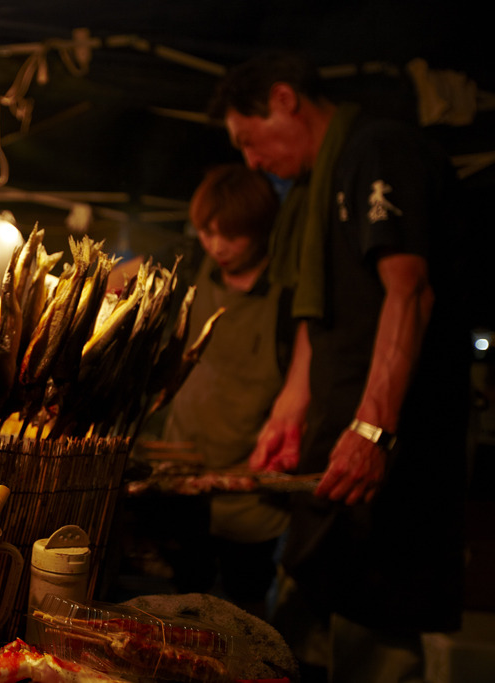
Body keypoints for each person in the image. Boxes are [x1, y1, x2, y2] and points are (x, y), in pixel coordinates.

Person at [210, 51, 469, 681]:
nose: (251, 162)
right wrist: (288, 413)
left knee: (374, 640)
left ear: (283, 99)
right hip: (335, 443)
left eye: (249, 140)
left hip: (390, 454)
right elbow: (319, 321)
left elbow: (409, 291)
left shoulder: (376, 151)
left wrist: (373, 429)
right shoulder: (311, 191)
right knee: (308, 626)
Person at [158, 163, 292, 615]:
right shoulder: (192, 270)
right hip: (182, 478)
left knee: (248, 608)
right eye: (207, 232)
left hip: (251, 489)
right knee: (180, 607)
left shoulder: (287, 298)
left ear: (259, 230)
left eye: (230, 235)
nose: (217, 246)